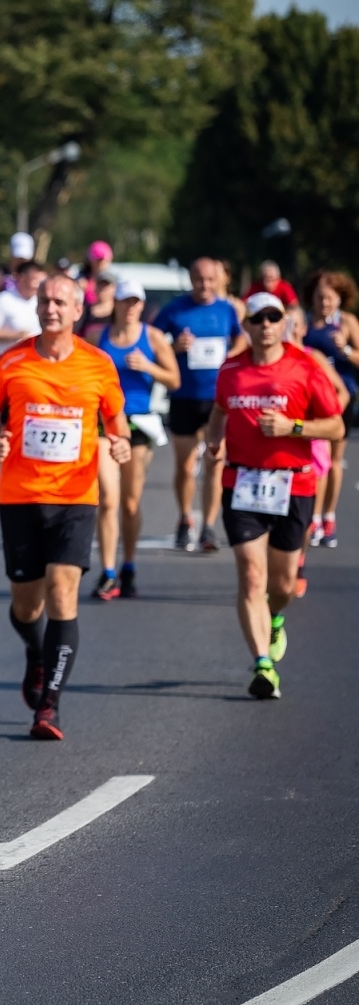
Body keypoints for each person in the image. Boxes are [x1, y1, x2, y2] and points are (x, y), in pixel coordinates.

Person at [0, 275, 130, 740]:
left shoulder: (98, 365)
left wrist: (121, 444)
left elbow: (116, 422)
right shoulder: (12, 362)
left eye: (60, 302)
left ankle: (49, 707)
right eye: (44, 300)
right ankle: (36, 652)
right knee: (27, 606)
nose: (50, 308)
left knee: (64, 595)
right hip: (21, 496)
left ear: (76, 311)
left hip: (74, 498)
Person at [204, 292, 342, 699]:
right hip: (242, 483)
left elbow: (335, 427)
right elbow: (218, 412)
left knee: (281, 584)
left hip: (293, 484)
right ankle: (262, 664)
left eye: (273, 317)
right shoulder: (231, 371)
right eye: (257, 318)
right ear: (245, 325)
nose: (265, 325)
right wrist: (214, 442)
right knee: (250, 575)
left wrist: (292, 429)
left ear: (284, 323)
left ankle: (275, 617)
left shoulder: (305, 368)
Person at [91, 280, 180, 599]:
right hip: (104, 424)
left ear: (142, 306)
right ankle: (108, 571)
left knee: (129, 503)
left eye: (135, 302)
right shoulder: (96, 336)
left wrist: (149, 366)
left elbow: (174, 379)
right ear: (115, 303)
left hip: (139, 424)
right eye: (125, 301)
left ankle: (128, 564)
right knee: (108, 499)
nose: (130, 308)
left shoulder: (152, 337)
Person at [153, 257, 247, 553]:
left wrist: (230, 356)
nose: (204, 286)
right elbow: (151, 342)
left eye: (209, 280)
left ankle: (208, 525)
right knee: (184, 464)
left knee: (215, 463)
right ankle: (184, 519)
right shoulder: (174, 310)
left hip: (217, 398)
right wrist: (174, 347)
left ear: (217, 280)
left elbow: (242, 340)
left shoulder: (226, 309)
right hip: (183, 397)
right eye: (198, 280)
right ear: (190, 280)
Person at [302, 271, 359, 547]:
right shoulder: (304, 323)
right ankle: (312, 518)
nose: (323, 303)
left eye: (329, 298)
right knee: (315, 460)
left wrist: (346, 350)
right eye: (319, 297)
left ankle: (328, 516)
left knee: (333, 461)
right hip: (310, 399)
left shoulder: (347, 323)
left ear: (340, 299)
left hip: (341, 398)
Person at [0, 261, 46, 365]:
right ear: (22, 277)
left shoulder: (43, 302)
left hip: (33, 367)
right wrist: (17, 335)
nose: (38, 285)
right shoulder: (2, 300)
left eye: (41, 281)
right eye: (35, 280)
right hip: (4, 367)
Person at [0, 232, 36, 304]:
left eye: (24, 259)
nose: (21, 262)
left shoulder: (35, 276)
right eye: (18, 258)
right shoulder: (0, 275)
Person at [76, 273, 116, 341]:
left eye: (106, 285)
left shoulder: (118, 312)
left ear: (114, 288)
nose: (103, 289)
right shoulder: (85, 311)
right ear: (95, 287)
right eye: (100, 285)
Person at [82, 240, 114, 305]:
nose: (101, 264)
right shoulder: (82, 282)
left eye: (103, 260)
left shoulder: (115, 281)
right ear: (90, 261)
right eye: (98, 260)